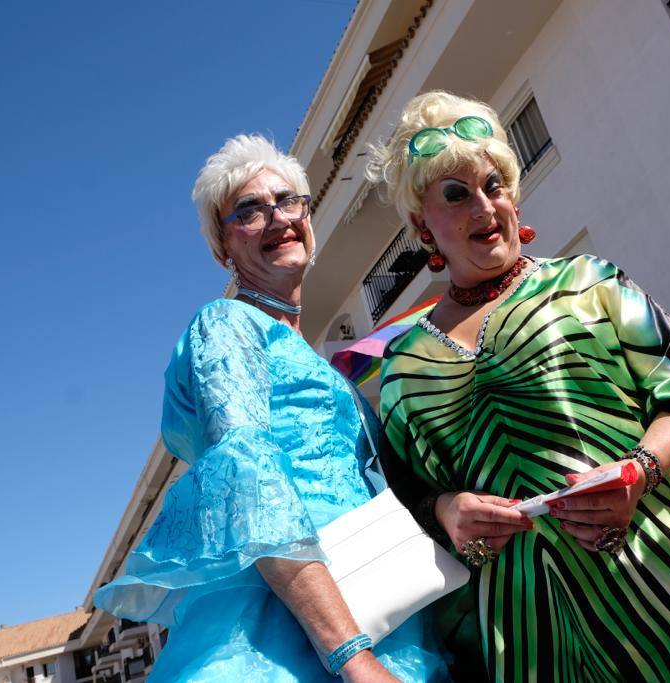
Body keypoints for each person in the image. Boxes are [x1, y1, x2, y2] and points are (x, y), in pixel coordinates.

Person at [366, 90, 670, 682]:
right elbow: (403, 488)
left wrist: (638, 471)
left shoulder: (588, 282)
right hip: (515, 615)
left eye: (494, 186)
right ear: (422, 223)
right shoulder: (405, 361)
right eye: (456, 194)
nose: (485, 207)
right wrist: (447, 509)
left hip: (644, 568)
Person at [93, 134, 445, 682]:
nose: (276, 217)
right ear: (222, 249)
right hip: (285, 636)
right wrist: (351, 655)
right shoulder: (227, 325)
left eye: (288, 201)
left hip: (379, 604)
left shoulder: (316, 359)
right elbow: (249, 479)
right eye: (249, 211)